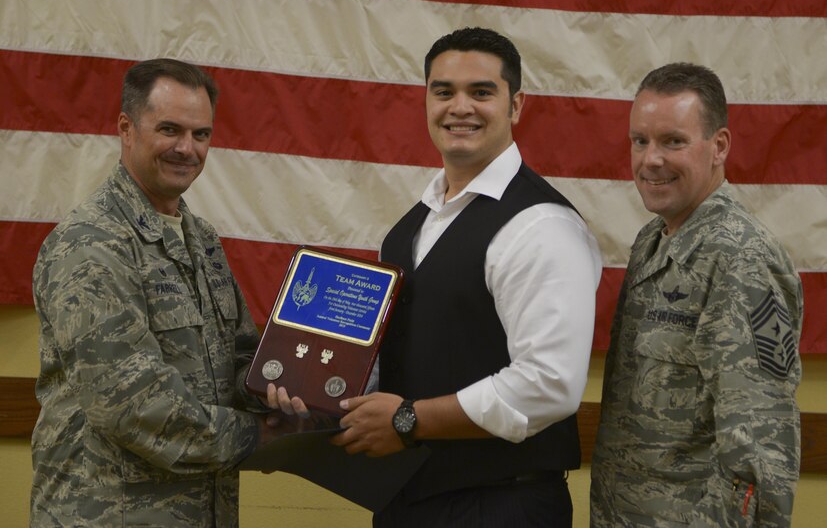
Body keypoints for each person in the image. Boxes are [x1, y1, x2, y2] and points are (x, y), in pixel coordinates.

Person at [330, 27, 603, 527]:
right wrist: (316, 391)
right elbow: (397, 358)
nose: (460, 107)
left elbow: (550, 385)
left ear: (516, 105)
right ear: (426, 101)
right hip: (406, 501)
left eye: (481, 92)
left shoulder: (541, 226)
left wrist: (408, 420)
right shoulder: (409, 227)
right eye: (443, 91)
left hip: (500, 507)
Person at [30, 58, 292, 527]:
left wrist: (284, 387)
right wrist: (256, 435)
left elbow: (239, 357)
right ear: (126, 129)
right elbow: (132, 405)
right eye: (170, 129)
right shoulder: (90, 242)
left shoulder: (202, 240)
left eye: (201, 134)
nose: (186, 149)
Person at [590, 63, 803, 527]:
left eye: (673, 141)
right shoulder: (654, 239)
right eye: (640, 140)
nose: (651, 160)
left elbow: (760, 446)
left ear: (719, 145)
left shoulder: (738, 257)